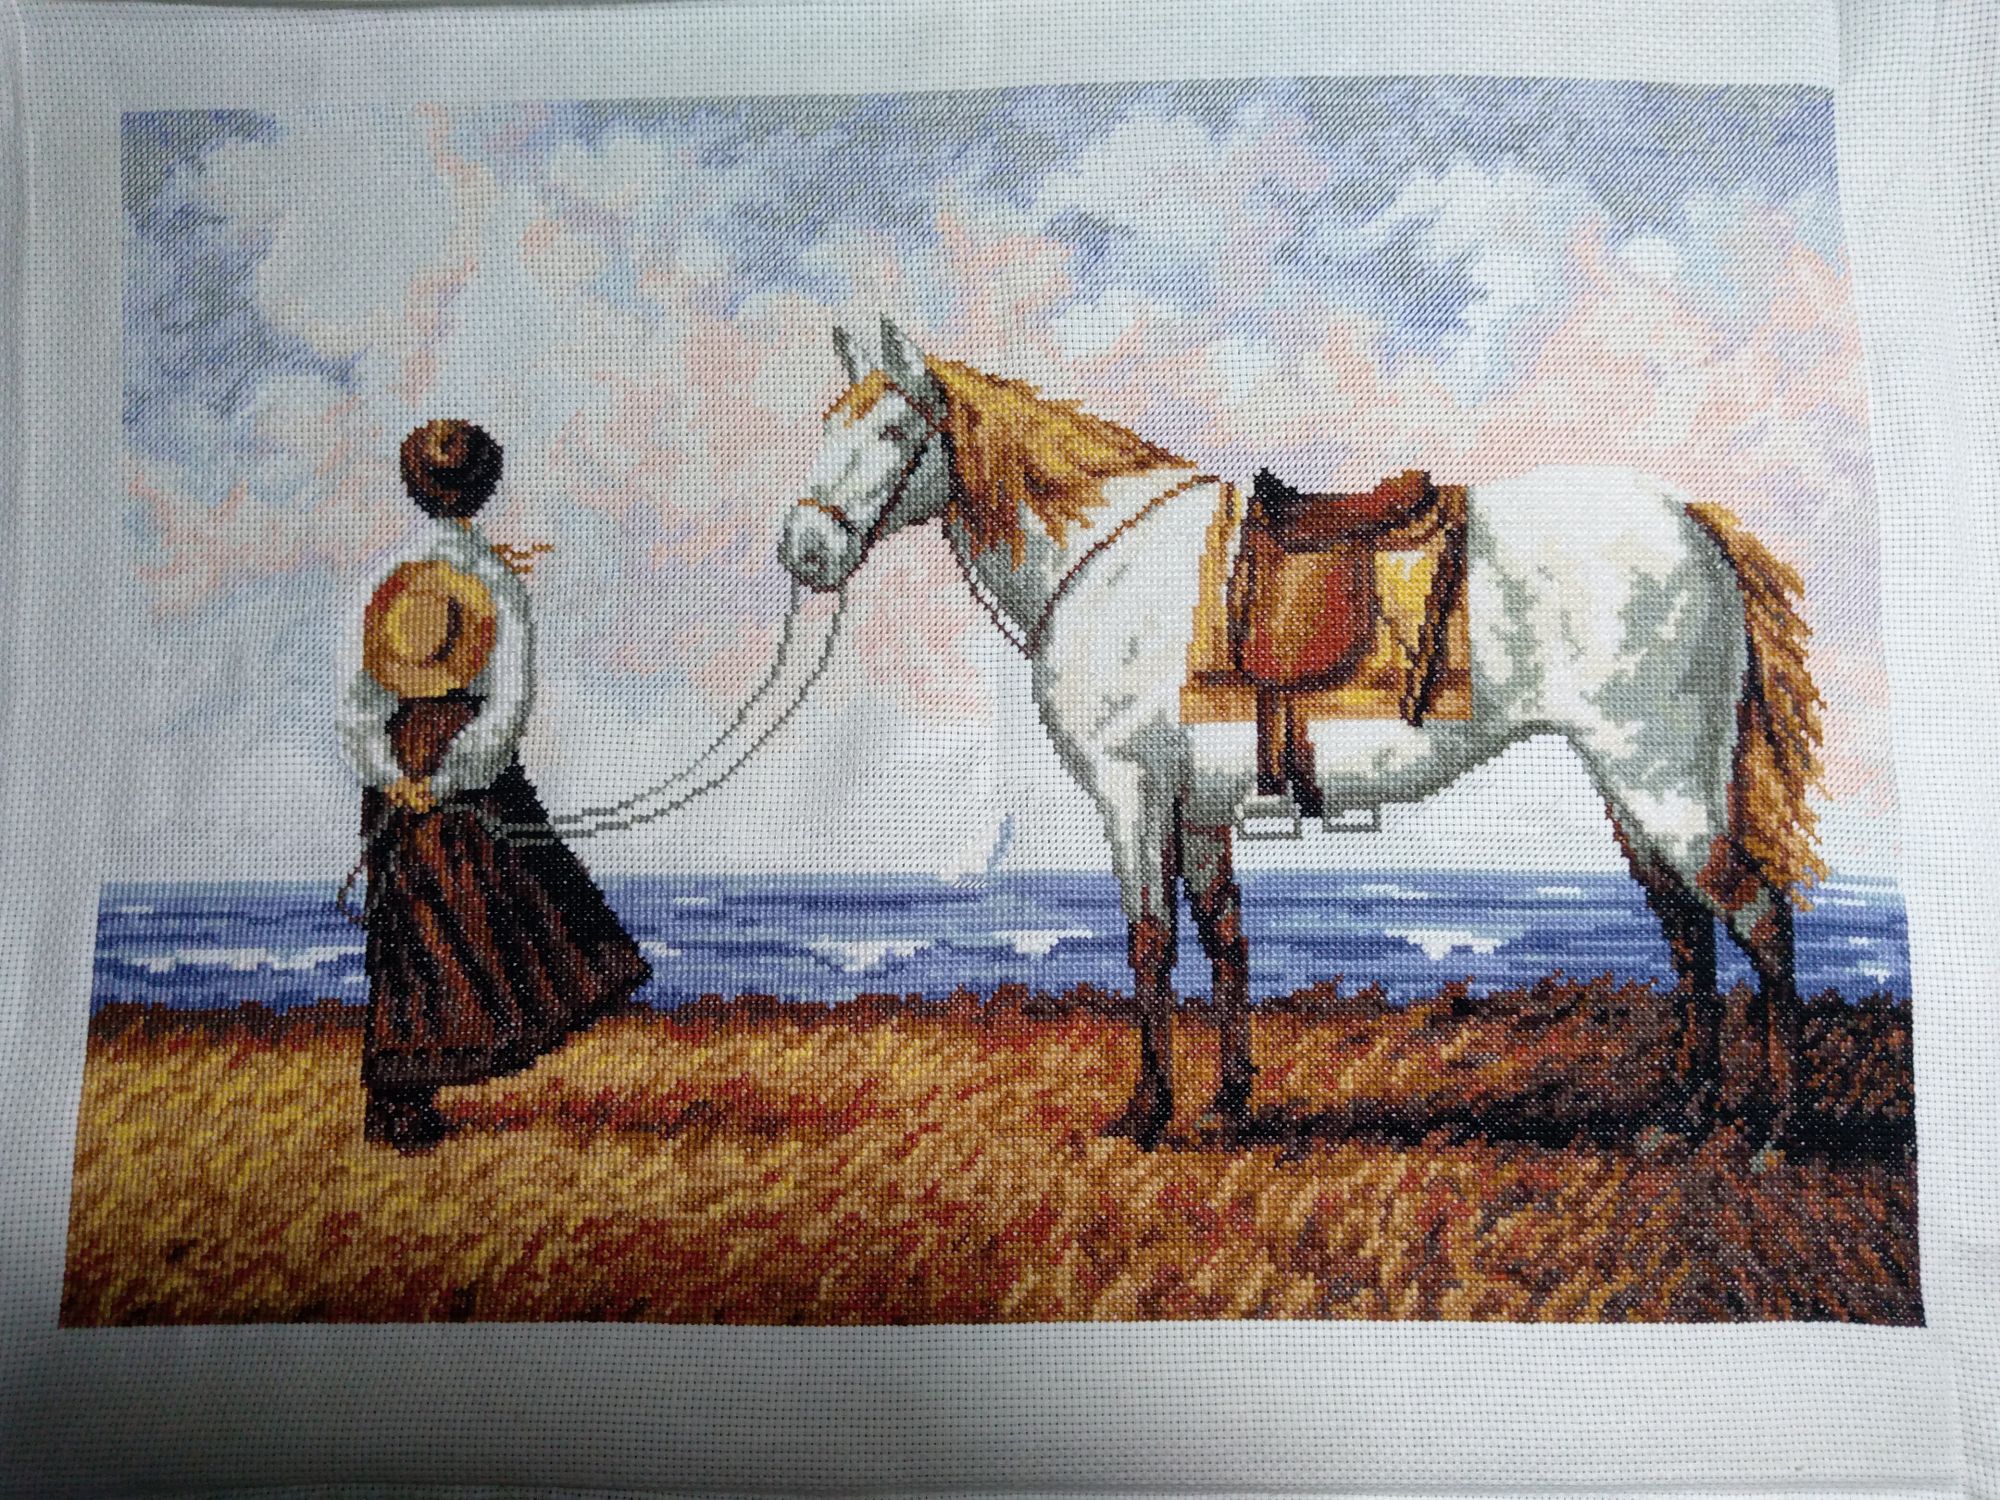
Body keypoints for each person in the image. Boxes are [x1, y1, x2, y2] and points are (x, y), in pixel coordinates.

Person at [336, 419, 650, 1151]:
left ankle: (401, 1100)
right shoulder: (495, 582)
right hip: (466, 773)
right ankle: (407, 1096)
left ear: (414, 489)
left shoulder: (390, 579)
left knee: (412, 930)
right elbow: (506, 706)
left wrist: (391, 776)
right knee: (498, 922)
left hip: (401, 767)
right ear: (487, 486)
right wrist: (450, 778)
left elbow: (358, 704)